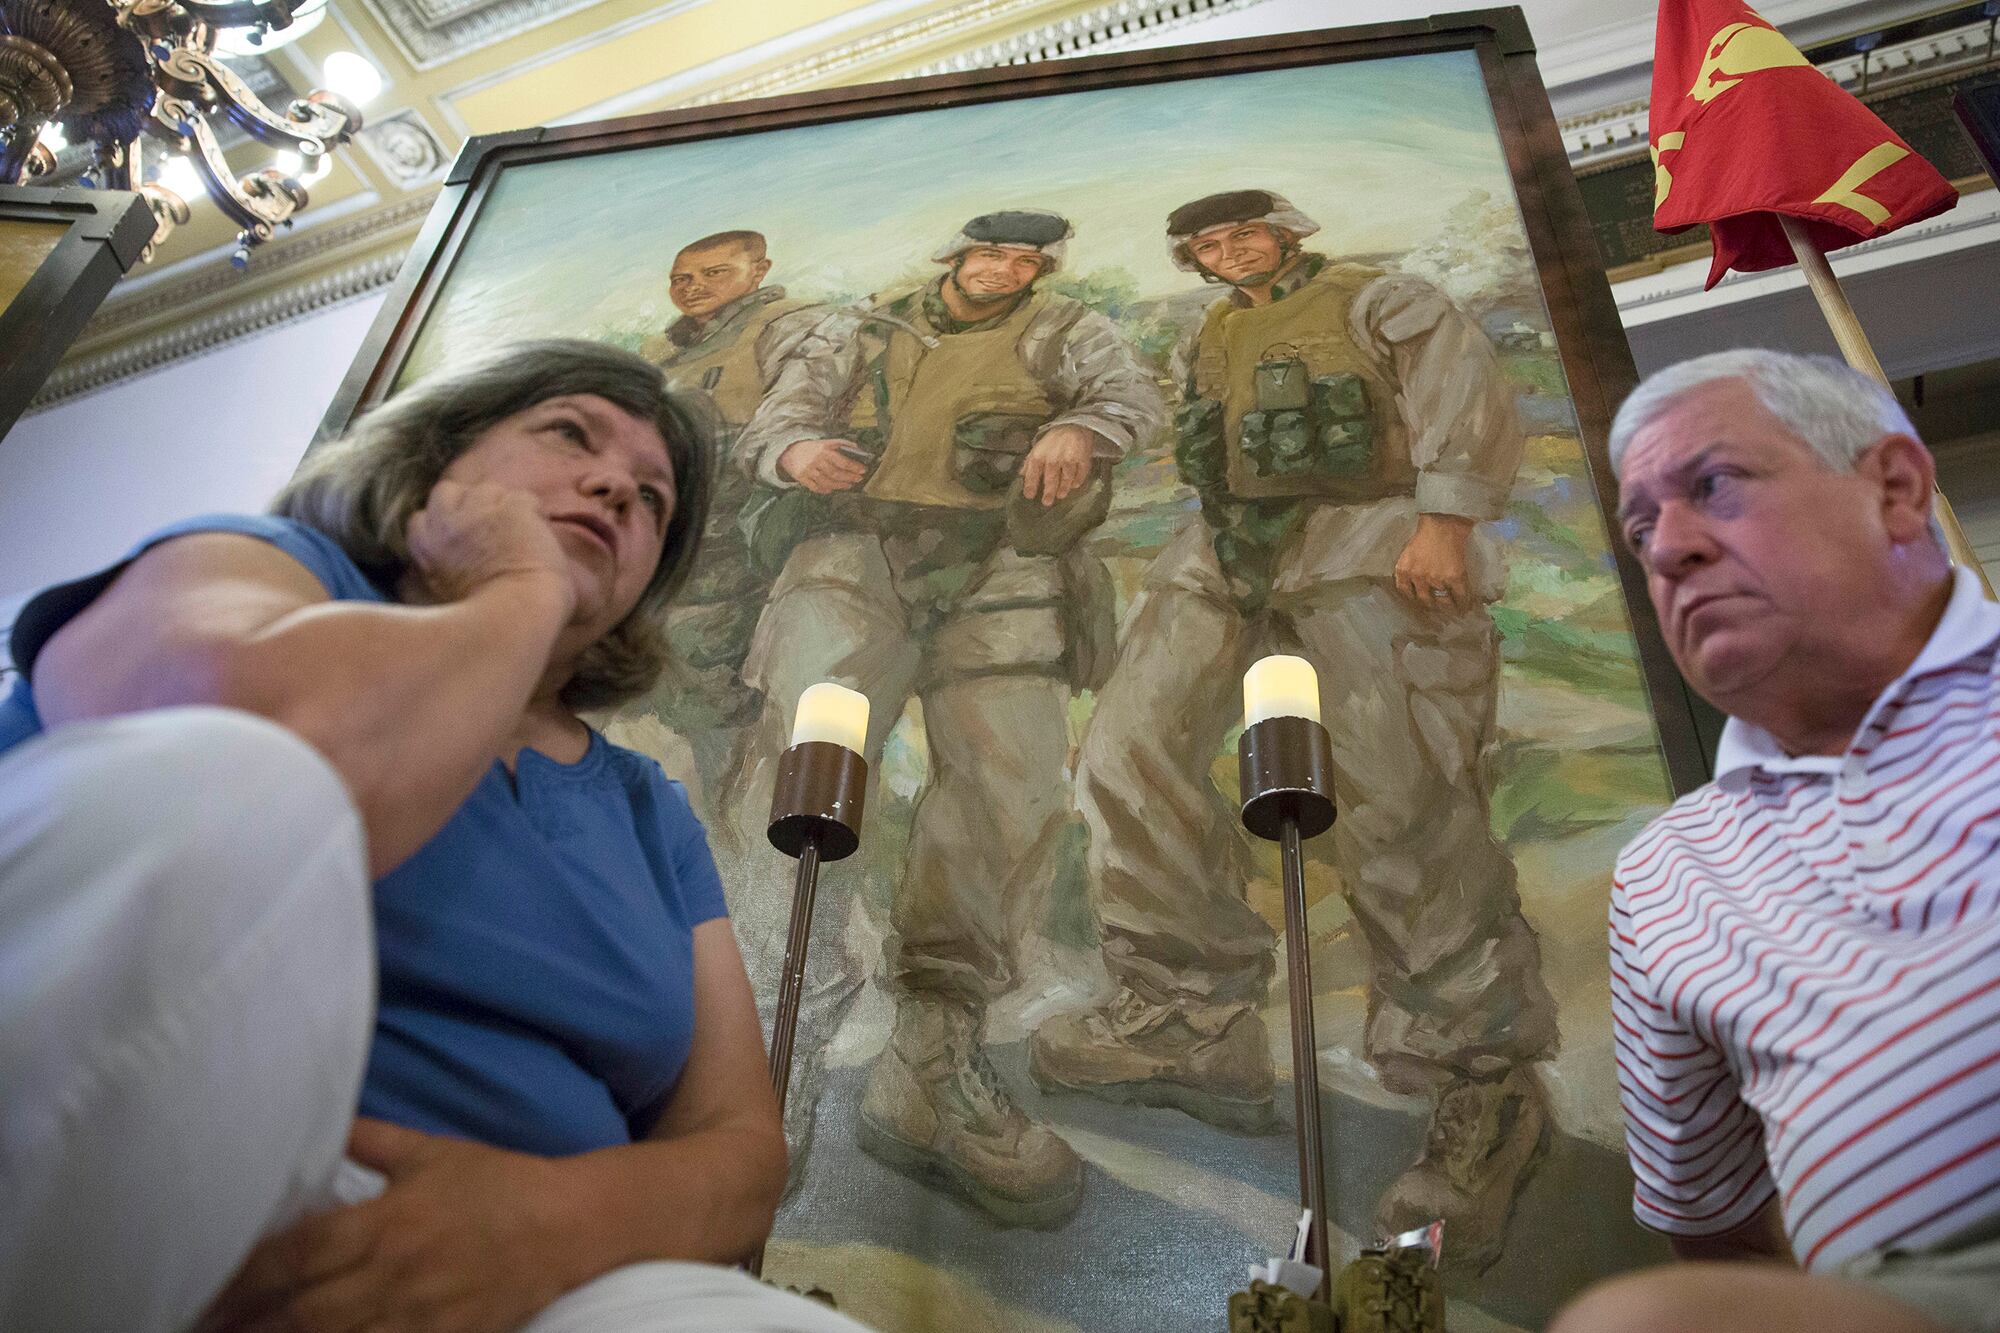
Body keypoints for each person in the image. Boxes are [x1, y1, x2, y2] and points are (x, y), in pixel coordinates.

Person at [0, 340, 874, 1332]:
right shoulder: (267, 565)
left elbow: (737, 1146)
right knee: (241, 774)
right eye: (569, 434)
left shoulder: (645, 806)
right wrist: (522, 593)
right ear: (437, 457)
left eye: (652, 501)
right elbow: (258, 757)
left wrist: (536, 1228)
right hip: (161, 1148)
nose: (613, 489)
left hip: (519, 1263)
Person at [1027, 188, 1556, 1272]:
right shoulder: (1214, 330)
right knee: (1128, 749)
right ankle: (1188, 1014)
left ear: (1286, 233)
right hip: (1231, 550)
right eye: (1208, 245)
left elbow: (1462, 400)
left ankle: (1479, 1082)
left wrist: (1445, 522)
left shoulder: (1382, 300)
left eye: (1243, 235)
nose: (1227, 254)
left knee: (1405, 804)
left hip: (1375, 542)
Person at [726, 209, 1164, 1228]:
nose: (1005, 270)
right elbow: (771, 422)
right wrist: (793, 455)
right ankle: (762, 1068)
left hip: (1008, 566)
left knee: (1008, 792)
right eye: (990, 254)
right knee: (792, 788)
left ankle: (931, 1056)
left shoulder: (1064, 332)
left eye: (1024, 260)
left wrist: (1079, 427)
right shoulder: (859, 332)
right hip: (851, 558)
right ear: (955, 258)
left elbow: (1132, 395)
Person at [1547, 349, 2000, 1333]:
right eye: (1638, 529)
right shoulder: (1668, 876)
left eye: (1712, 487)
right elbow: (1714, 1229)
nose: (1666, 548)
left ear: (1892, 489)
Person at [630, 231, 826, 810]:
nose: (693, 289)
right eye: (682, 279)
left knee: (721, 702)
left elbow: (794, 422)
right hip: (667, 546)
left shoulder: (793, 328)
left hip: (741, 543)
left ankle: (737, 839)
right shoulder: (659, 352)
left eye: (713, 274)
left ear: (759, 269)